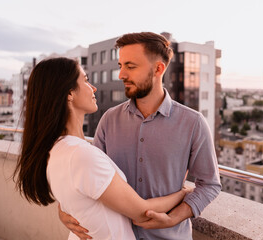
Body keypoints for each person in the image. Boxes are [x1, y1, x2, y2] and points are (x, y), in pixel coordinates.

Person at [60, 32, 222, 240]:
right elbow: (86, 176)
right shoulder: (109, 120)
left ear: (158, 69)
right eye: (120, 66)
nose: (121, 75)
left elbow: (209, 184)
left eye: (130, 66)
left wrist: (173, 218)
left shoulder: (193, 123)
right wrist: (63, 208)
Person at [13, 57, 192, 239]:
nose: (93, 88)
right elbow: (142, 212)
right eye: (86, 80)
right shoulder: (81, 154)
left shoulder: (56, 148)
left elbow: (79, 194)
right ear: (69, 94)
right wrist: (183, 193)